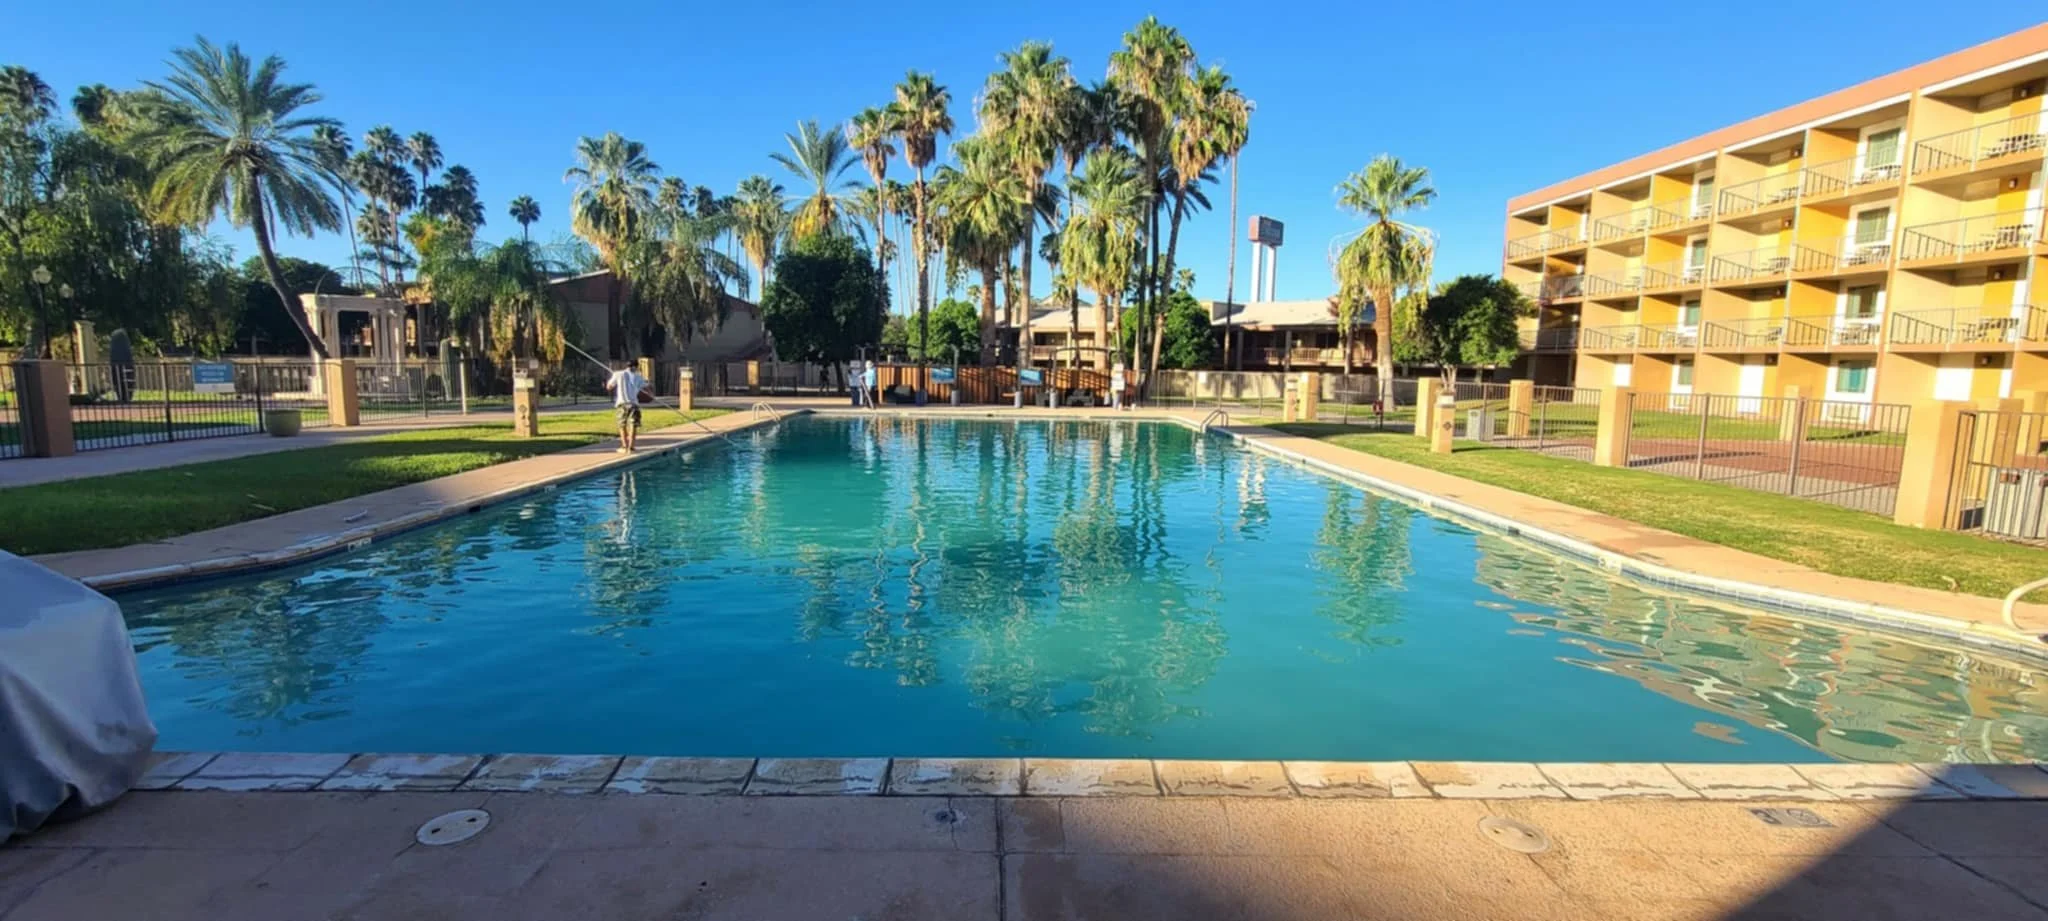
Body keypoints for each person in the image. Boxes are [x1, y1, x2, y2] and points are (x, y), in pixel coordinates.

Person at [604, 361, 650, 453]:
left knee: (622, 425)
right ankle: (631, 447)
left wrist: (608, 383)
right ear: (635, 367)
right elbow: (646, 386)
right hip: (634, 404)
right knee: (633, 425)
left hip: (622, 404)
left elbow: (609, 387)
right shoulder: (638, 376)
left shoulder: (618, 374)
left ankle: (624, 446)